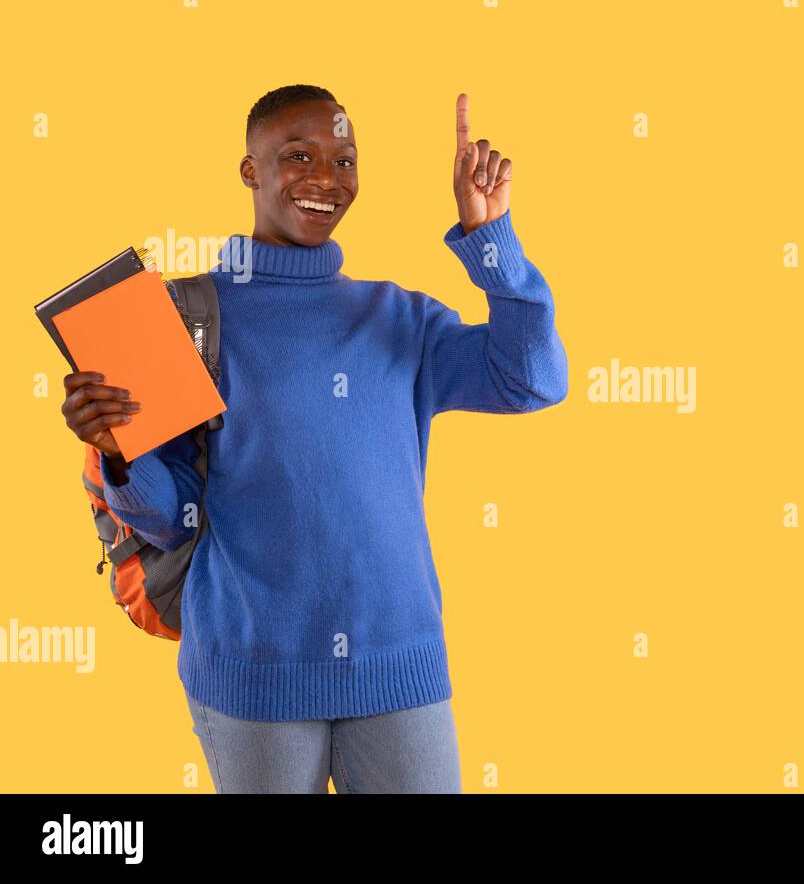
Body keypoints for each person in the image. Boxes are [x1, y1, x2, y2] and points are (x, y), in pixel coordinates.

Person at [58, 84, 569, 793]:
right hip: (250, 672)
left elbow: (533, 379)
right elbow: (167, 516)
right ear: (250, 169)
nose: (326, 179)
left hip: (398, 669)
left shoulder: (401, 318)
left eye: (344, 159)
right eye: (298, 155)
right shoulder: (183, 318)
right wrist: (119, 449)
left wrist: (493, 241)